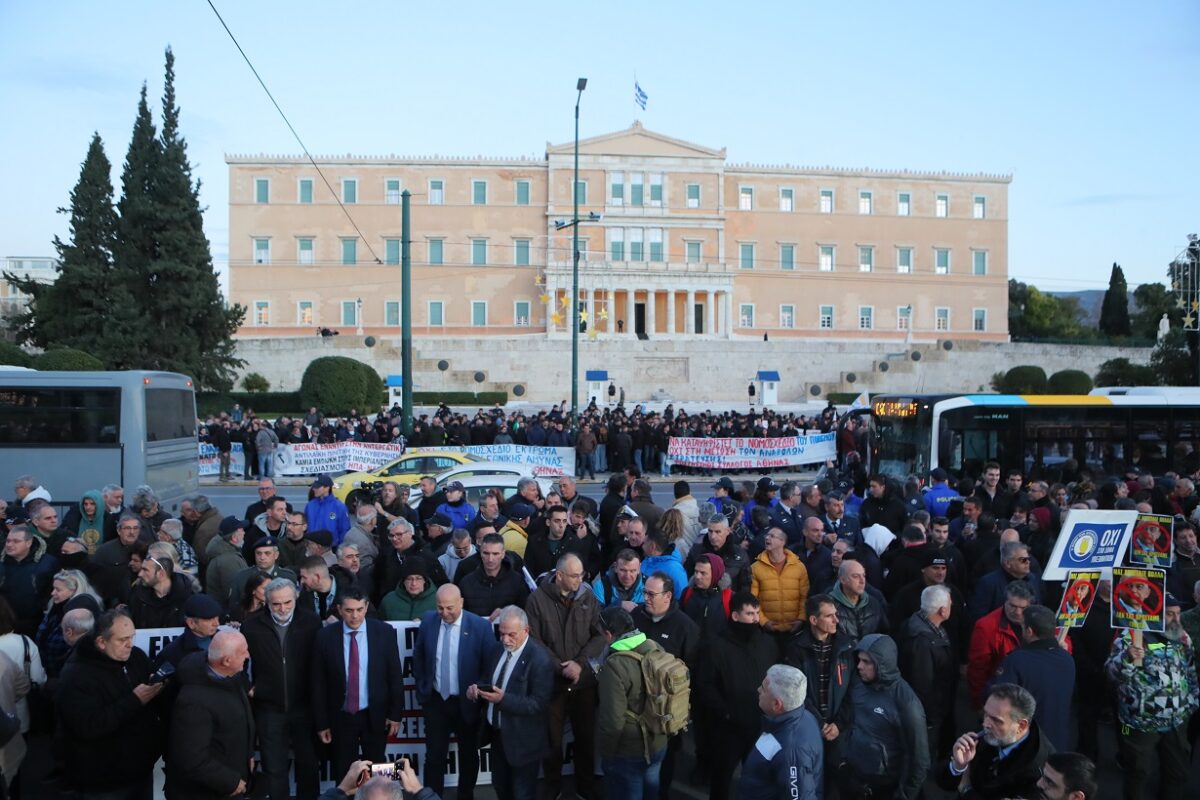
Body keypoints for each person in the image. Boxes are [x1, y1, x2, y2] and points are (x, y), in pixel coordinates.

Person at [55, 609, 166, 799]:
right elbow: (88, 726)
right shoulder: (76, 675)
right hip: (104, 780)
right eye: (122, 640)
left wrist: (159, 685)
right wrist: (134, 700)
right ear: (101, 642)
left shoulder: (136, 657)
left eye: (132, 637)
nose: (130, 644)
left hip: (141, 768)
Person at [523, 552, 605, 800]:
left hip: (583, 683)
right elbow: (533, 640)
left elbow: (599, 635)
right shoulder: (536, 600)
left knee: (585, 740)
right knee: (552, 743)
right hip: (551, 684)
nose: (580, 579)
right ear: (559, 576)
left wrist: (580, 665)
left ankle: (586, 789)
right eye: (574, 575)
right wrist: (560, 667)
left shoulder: (588, 596)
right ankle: (552, 789)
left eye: (581, 574)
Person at [1105, 593, 1199, 800]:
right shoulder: (1131, 638)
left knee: (1178, 773)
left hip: (1177, 721)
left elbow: (1190, 670)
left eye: (1177, 614)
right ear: (1153, 615)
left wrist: (1192, 701)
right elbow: (1112, 674)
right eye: (1169, 614)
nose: (1176, 619)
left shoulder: (1182, 637)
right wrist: (1128, 658)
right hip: (1141, 723)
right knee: (1139, 773)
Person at [412, 584, 500, 800]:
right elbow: (419, 656)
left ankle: (465, 795)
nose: (445, 613)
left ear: (461, 602)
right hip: (436, 701)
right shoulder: (429, 621)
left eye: (450, 608)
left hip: (467, 702)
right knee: (434, 756)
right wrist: (424, 686)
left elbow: (489, 666)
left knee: (469, 754)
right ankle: (432, 796)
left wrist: (478, 688)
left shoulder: (479, 627)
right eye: (440, 608)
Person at [693, 592, 779, 800]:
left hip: (761, 726)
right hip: (728, 729)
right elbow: (705, 685)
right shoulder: (716, 647)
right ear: (735, 616)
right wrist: (726, 713)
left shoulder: (767, 643)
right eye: (750, 614)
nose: (756, 619)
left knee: (759, 780)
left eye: (757, 613)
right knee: (722, 780)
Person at [312, 589, 405, 778]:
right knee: (344, 772)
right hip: (341, 717)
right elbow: (318, 683)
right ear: (339, 609)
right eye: (349, 610)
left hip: (375, 714)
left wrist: (395, 714)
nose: (355, 615)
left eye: (359, 609)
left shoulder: (384, 632)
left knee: (378, 770)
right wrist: (321, 723)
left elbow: (394, 675)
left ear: (367, 607)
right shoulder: (325, 636)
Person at [242, 579, 321, 800]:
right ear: (266, 602)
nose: (283, 608)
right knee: (273, 768)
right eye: (276, 604)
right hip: (269, 709)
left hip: (305, 707)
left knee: (309, 765)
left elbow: (320, 663)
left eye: (287, 602)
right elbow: (239, 665)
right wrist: (250, 688)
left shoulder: (311, 622)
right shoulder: (251, 626)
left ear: (295, 598)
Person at [470, 605, 555, 800]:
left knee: (522, 794)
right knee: (501, 788)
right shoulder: (496, 649)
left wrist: (503, 700)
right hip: (498, 737)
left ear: (526, 631)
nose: (505, 640)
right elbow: (487, 677)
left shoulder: (540, 659)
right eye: (501, 634)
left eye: (511, 635)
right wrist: (476, 689)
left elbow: (538, 704)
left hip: (524, 742)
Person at [838, 633, 929, 799]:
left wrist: (904, 796)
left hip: (886, 787)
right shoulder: (858, 685)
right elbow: (851, 722)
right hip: (855, 779)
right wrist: (844, 760)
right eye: (859, 660)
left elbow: (919, 759)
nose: (859, 666)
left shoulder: (906, 702)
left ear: (882, 664)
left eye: (866, 662)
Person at [167, 630, 255, 799]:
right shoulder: (193, 703)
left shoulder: (230, 676)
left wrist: (248, 754)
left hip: (230, 781)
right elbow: (191, 759)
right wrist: (231, 782)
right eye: (243, 651)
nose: (248, 655)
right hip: (207, 792)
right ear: (227, 661)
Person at [782, 592, 855, 791]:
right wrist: (820, 723)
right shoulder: (796, 648)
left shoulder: (846, 647)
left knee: (834, 783)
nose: (836, 620)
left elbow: (852, 690)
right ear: (814, 620)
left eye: (836, 614)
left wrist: (839, 724)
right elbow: (796, 692)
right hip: (809, 727)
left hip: (838, 730)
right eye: (829, 616)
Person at [595, 606, 669, 800]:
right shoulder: (654, 647)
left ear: (609, 634)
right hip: (659, 741)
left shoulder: (615, 665)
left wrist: (607, 753)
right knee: (651, 791)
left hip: (630, 750)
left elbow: (613, 719)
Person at [938, 683, 1052, 800]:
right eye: (986, 714)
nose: (985, 724)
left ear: (1021, 726)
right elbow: (943, 782)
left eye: (996, 720)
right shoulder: (988, 732)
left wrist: (966, 790)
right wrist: (958, 767)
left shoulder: (1040, 770)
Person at [987, 604, 1075, 751]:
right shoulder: (1067, 659)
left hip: (1026, 742)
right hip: (1057, 740)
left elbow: (999, 697)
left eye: (1022, 627)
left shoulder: (1016, 661)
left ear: (1029, 631)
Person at [738, 664, 823, 799]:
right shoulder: (802, 717)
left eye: (764, 688)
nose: (758, 690)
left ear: (777, 704)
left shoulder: (792, 751)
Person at [897, 584, 957, 762]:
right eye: (950, 605)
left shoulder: (917, 624)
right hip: (926, 712)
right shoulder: (923, 641)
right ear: (942, 610)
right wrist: (932, 716)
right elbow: (922, 683)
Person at [967, 581, 1034, 708]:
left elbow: (1055, 636)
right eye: (1013, 606)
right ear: (1004, 602)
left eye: (1023, 608)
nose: (1018, 612)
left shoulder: (1038, 618)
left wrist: (1065, 647)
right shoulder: (986, 627)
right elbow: (978, 670)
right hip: (1002, 697)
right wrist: (980, 704)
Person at [0, 525, 58, 636]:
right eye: (8, 541)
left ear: (28, 543)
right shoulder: (1, 563)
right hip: (4, 624)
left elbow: (53, 591)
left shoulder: (47, 563)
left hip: (35, 623)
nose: (9, 545)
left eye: (16, 541)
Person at [750, 527, 809, 635]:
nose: (767, 538)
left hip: (794, 630)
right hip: (767, 631)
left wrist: (801, 619)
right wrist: (763, 621)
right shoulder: (755, 568)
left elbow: (804, 596)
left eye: (772, 536)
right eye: (766, 536)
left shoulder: (799, 567)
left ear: (782, 541)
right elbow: (753, 598)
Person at [457, 534, 529, 621]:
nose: (490, 559)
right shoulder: (466, 583)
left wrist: (507, 612)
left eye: (495, 554)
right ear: (480, 553)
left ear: (503, 554)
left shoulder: (517, 582)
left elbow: (526, 613)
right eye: (486, 553)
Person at [128, 554, 193, 629]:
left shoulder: (187, 598)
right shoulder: (138, 595)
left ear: (161, 574)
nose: (140, 574)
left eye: (145, 570)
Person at [205, 516, 250, 610]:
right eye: (241, 530)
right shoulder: (229, 561)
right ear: (234, 538)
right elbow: (235, 594)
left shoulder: (227, 554)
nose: (244, 533)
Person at [306, 475, 352, 546]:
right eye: (314, 487)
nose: (314, 489)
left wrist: (339, 548)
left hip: (331, 548)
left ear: (327, 488)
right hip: (312, 547)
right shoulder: (310, 505)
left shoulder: (339, 507)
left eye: (317, 487)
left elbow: (344, 530)